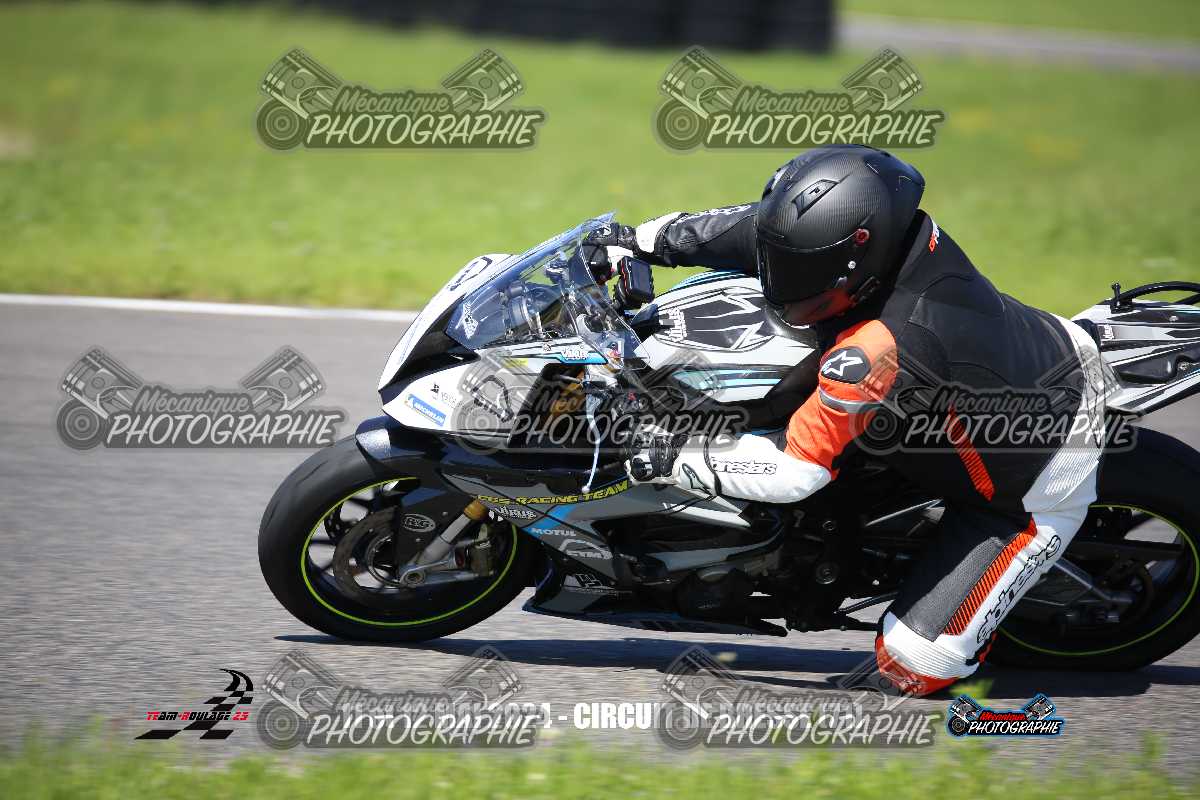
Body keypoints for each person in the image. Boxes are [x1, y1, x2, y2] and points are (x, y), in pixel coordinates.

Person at [586, 144, 1107, 696]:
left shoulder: (882, 347)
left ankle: (1004, 585)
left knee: (912, 666)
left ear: (860, 255)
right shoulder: (866, 238)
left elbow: (794, 471)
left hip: (1040, 466)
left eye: (802, 275)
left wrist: (665, 455)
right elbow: (742, 232)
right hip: (1010, 360)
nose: (783, 283)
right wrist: (636, 241)